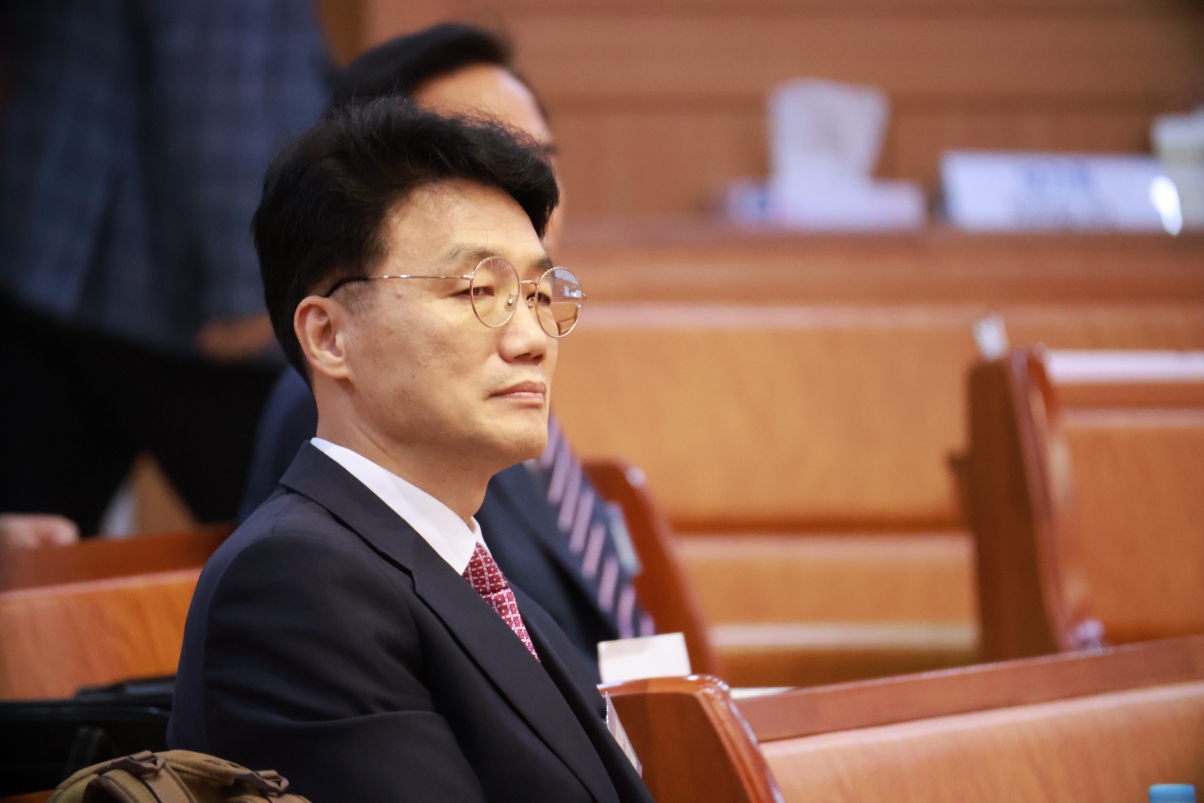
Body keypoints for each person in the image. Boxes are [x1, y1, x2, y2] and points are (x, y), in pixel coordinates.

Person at [169, 99, 653, 803]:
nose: (533, 340)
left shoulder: (470, 567)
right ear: (329, 337)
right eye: (477, 290)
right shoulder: (297, 583)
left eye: (539, 295)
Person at [238, 23, 652, 672]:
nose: (532, 342)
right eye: (473, 290)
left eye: (537, 153)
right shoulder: (343, 422)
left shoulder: (486, 425)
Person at [0, 0, 329, 535]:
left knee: (35, 537)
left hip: (47, 238)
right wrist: (258, 287)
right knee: (311, 532)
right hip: (169, 285)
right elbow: (221, 84)